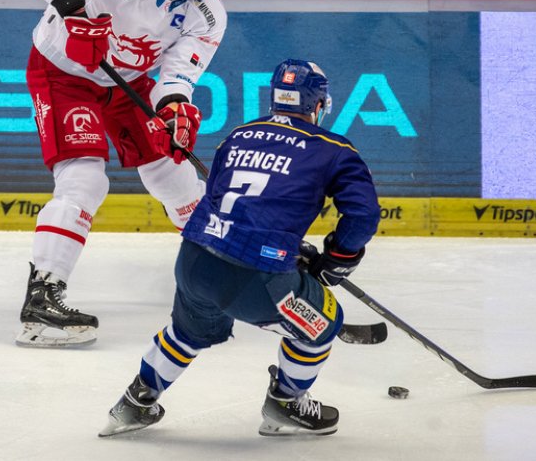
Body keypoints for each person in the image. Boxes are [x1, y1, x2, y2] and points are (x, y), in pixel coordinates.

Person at [98, 59, 381, 438]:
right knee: (324, 324)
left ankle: (134, 403)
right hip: (256, 280)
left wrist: (287, 246)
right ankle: (286, 402)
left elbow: (228, 204)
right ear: (317, 104)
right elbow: (363, 217)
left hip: (195, 261)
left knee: (186, 333)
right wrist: (337, 259)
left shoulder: (240, 134)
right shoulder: (334, 149)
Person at [15, 0, 229, 348]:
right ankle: (42, 297)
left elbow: (176, 75)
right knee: (85, 178)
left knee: (176, 175)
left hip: (126, 82)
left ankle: (218, 280)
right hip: (63, 73)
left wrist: (174, 110)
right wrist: (75, 15)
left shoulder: (208, 16)